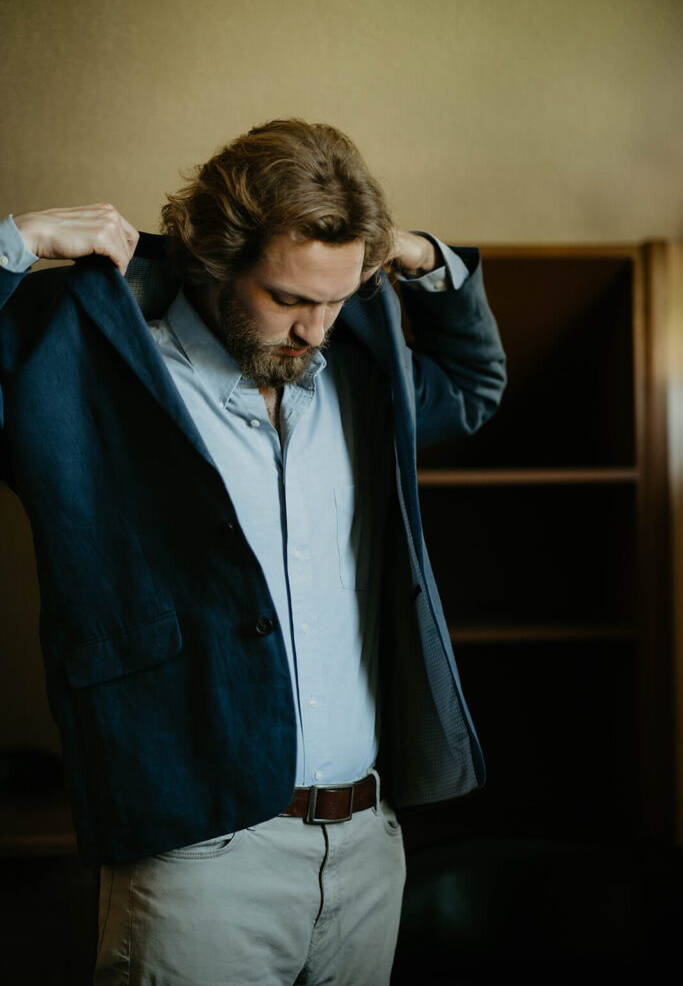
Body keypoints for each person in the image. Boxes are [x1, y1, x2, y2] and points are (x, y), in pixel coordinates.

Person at [0, 119, 506, 985]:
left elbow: (471, 388)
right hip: (199, 858)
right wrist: (17, 243)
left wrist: (425, 260)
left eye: (338, 299)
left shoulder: (357, 377)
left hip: (367, 848)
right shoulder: (95, 371)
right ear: (214, 260)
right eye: (286, 298)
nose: (314, 330)